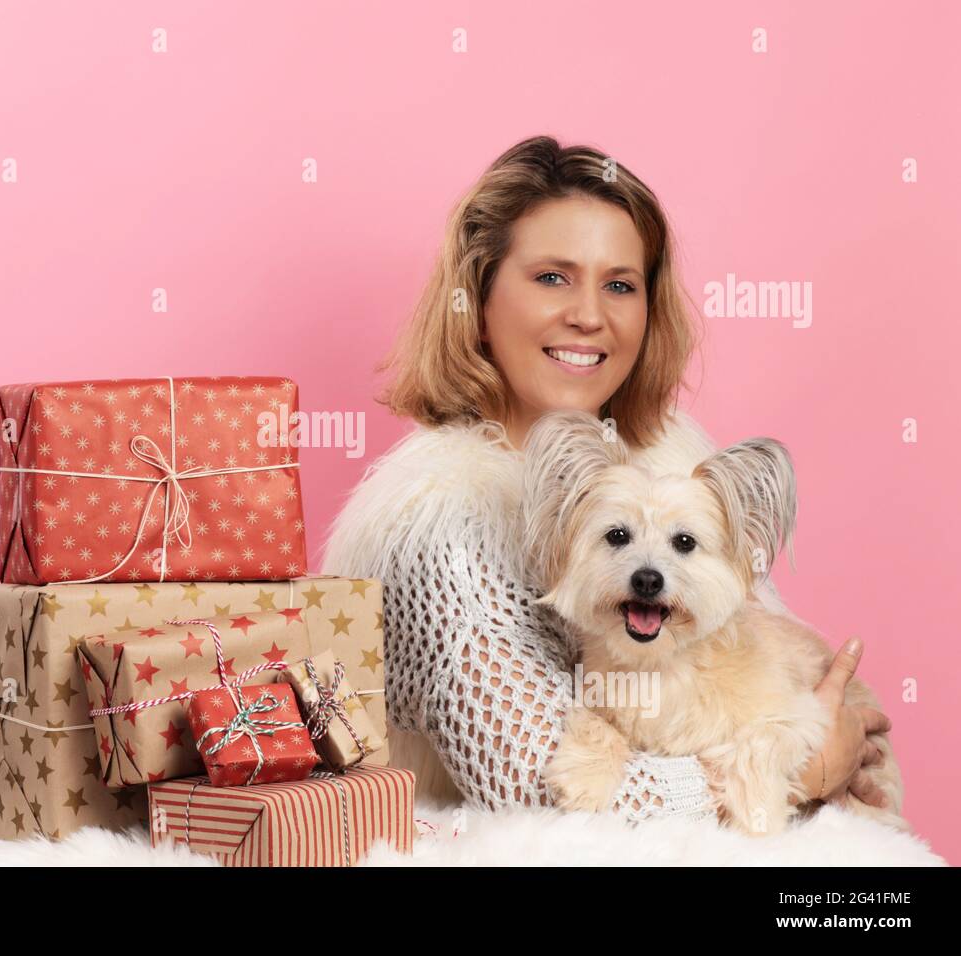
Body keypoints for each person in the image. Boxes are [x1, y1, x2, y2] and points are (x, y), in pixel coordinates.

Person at [320, 136, 893, 823]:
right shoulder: (437, 523)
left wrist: (819, 745)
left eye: (620, 285)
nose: (589, 315)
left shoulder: (678, 466)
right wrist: (800, 773)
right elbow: (528, 790)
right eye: (552, 277)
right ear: (474, 298)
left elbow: (765, 669)